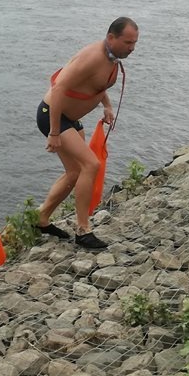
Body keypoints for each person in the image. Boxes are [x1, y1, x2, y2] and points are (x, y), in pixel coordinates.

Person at [35, 17, 139, 249]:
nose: (132, 48)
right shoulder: (93, 57)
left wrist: (107, 105)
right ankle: (83, 230)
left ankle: (41, 219)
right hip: (53, 115)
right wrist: (54, 132)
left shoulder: (111, 58)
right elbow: (60, 87)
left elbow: (97, 85)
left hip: (70, 119)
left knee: (74, 173)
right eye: (128, 42)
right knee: (90, 165)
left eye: (135, 43)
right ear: (111, 38)